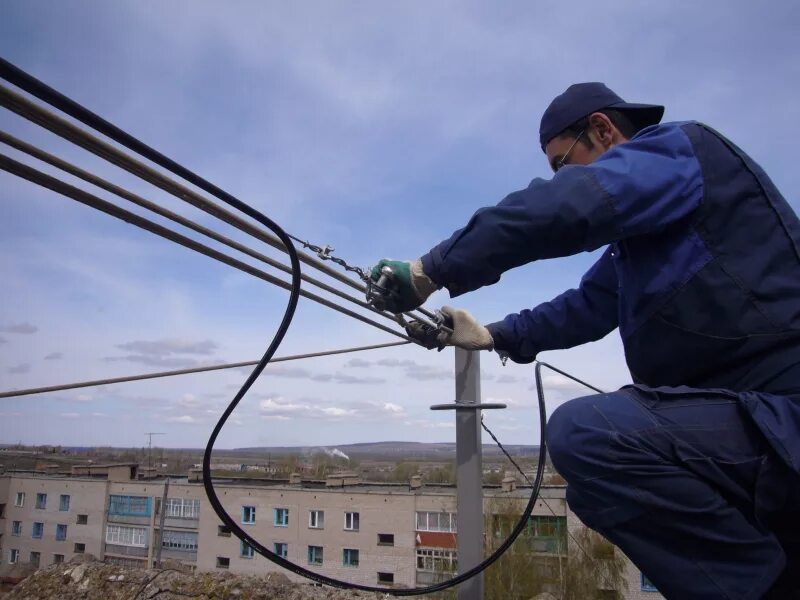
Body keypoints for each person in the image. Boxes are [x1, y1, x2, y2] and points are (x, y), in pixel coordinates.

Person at [372, 82, 800, 599]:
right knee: (592, 488)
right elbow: (586, 306)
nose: (563, 176)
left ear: (602, 129)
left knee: (590, 435)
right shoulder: (643, 248)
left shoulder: (682, 151)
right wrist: (495, 334)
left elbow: (568, 205)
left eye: (562, 163)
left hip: (782, 403)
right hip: (739, 422)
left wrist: (429, 270)